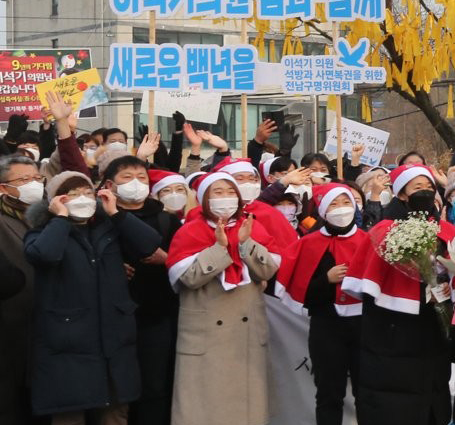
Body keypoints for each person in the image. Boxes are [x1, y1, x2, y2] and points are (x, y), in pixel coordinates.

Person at [24, 171, 162, 424]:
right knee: (69, 413)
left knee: (115, 414)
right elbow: (45, 255)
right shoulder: (43, 231)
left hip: (114, 337)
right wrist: (60, 219)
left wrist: (117, 213)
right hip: (68, 341)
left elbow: (149, 244)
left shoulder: (108, 228)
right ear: (55, 200)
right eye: (73, 194)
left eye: (88, 193)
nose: (82, 199)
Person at [342, 164, 455, 425]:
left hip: (433, 336)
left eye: (429, 187)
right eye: (418, 187)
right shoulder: (384, 231)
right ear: (402, 194)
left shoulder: (446, 230)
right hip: (392, 339)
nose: (425, 192)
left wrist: (444, 290)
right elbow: (370, 289)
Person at [166, 172, 280, 425]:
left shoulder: (252, 226)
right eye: (217, 192)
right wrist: (219, 248)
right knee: (203, 409)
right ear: (204, 199)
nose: (225, 198)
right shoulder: (189, 230)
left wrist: (245, 244)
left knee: (246, 410)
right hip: (205, 332)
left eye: (230, 192)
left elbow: (267, 271)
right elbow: (188, 278)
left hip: (246, 334)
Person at [100, 156, 184, 425]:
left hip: (156, 315)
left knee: (154, 385)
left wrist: (166, 259)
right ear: (110, 185)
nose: (135, 183)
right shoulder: (98, 218)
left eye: (142, 178)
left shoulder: (166, 220)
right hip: (110, 318)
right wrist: (110, 267)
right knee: (114, 388)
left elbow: (185, 262)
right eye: (127, 177)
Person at [276, 183, 368, 425]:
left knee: (366, 393)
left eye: (346, 202)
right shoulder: (309, 243)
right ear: (324, 211)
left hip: (364, 327)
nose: (341, 209)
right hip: (327, 327)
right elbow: (303, 293)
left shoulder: (369, 241)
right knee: (329, 393)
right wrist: (326, 280)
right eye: (334, 204)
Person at [0, 154, 45, 424]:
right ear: (4, 187)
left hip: (46, 325)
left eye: (37, 178)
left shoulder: (51, 217)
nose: (33, 184)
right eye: (24, 180)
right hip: (11, 327)